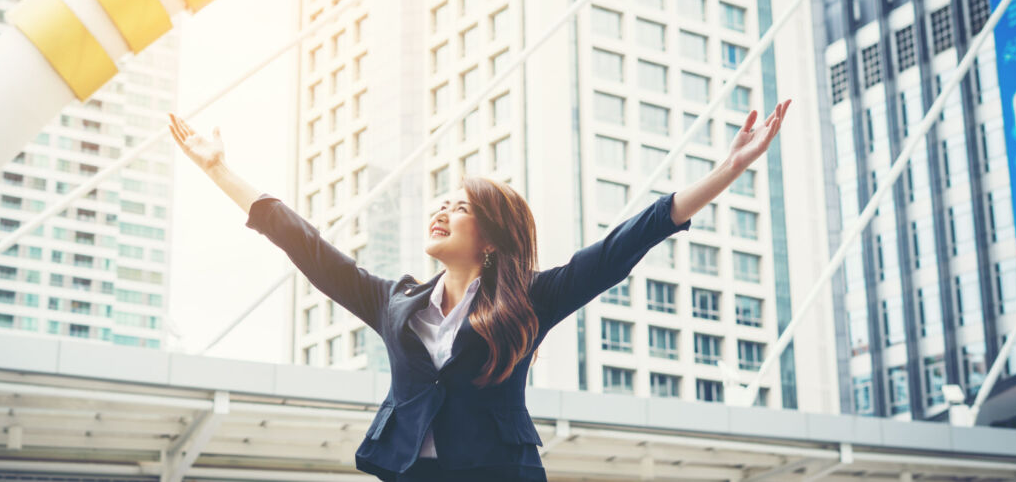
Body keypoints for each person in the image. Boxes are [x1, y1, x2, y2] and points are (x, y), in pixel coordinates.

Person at [167, 99, 791, 481]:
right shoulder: (394, 301)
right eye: (441, 202)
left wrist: (728, 169)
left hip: (499, 473)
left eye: (459, 207)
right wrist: (219, 168)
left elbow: (628, 242)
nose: (441, 211)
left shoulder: (532, 300)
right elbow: (304, 244)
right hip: (408, 471)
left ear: (490, 239)